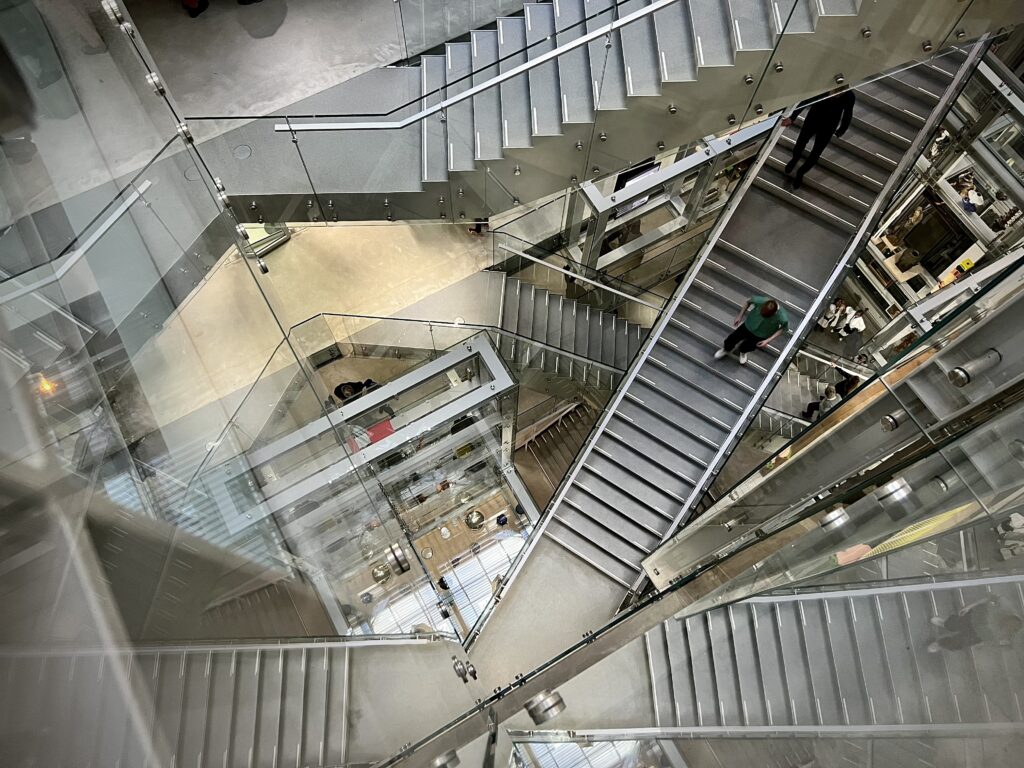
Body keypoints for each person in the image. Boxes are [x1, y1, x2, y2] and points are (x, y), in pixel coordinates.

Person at [782, 87, 856, 189]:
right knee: (800, 142)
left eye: (841, 93)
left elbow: (848, 113)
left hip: (829, 127)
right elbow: (807, 100)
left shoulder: (849, 96)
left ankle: (801, 172)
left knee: (816, 153)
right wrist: (792, 117)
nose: (837, 95)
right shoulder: (825, 87)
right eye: (837, 92)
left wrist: (842, 129)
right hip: (813, 119)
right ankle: (794, 159)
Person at [928, 595, 1023, 652]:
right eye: (1012, 623)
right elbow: (990, 597)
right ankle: (944, 623)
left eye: (1014, 627)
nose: (1010, 626)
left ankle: (940, 644)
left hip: (979, 634)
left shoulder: (1011, 634)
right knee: (953, 624)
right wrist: (969, 607)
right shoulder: (1006, 606)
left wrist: (983, 643)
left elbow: (1000, 643)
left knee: (959, 643)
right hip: (976, 618)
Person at [713, 295, 789, 366]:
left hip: (761, 334)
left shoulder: (782, 317)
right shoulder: (760, 301)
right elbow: (748, 301)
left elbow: (783, 328)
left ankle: (743, 352)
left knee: (749, 346)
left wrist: (768, 340)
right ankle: (726, 349)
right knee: (732, 339)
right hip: (748, 325)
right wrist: (740, 315)